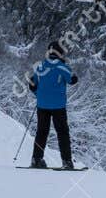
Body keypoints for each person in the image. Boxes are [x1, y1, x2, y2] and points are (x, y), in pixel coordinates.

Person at [28, 42, 79, 170]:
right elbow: (72, 80)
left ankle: (36, 160)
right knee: (62, 133)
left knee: (41, 132)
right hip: (58, 106)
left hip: (42, 106)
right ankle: (67, 162)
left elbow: (32, 85)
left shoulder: (40, 67)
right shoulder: (62, 67)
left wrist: (39, 95)